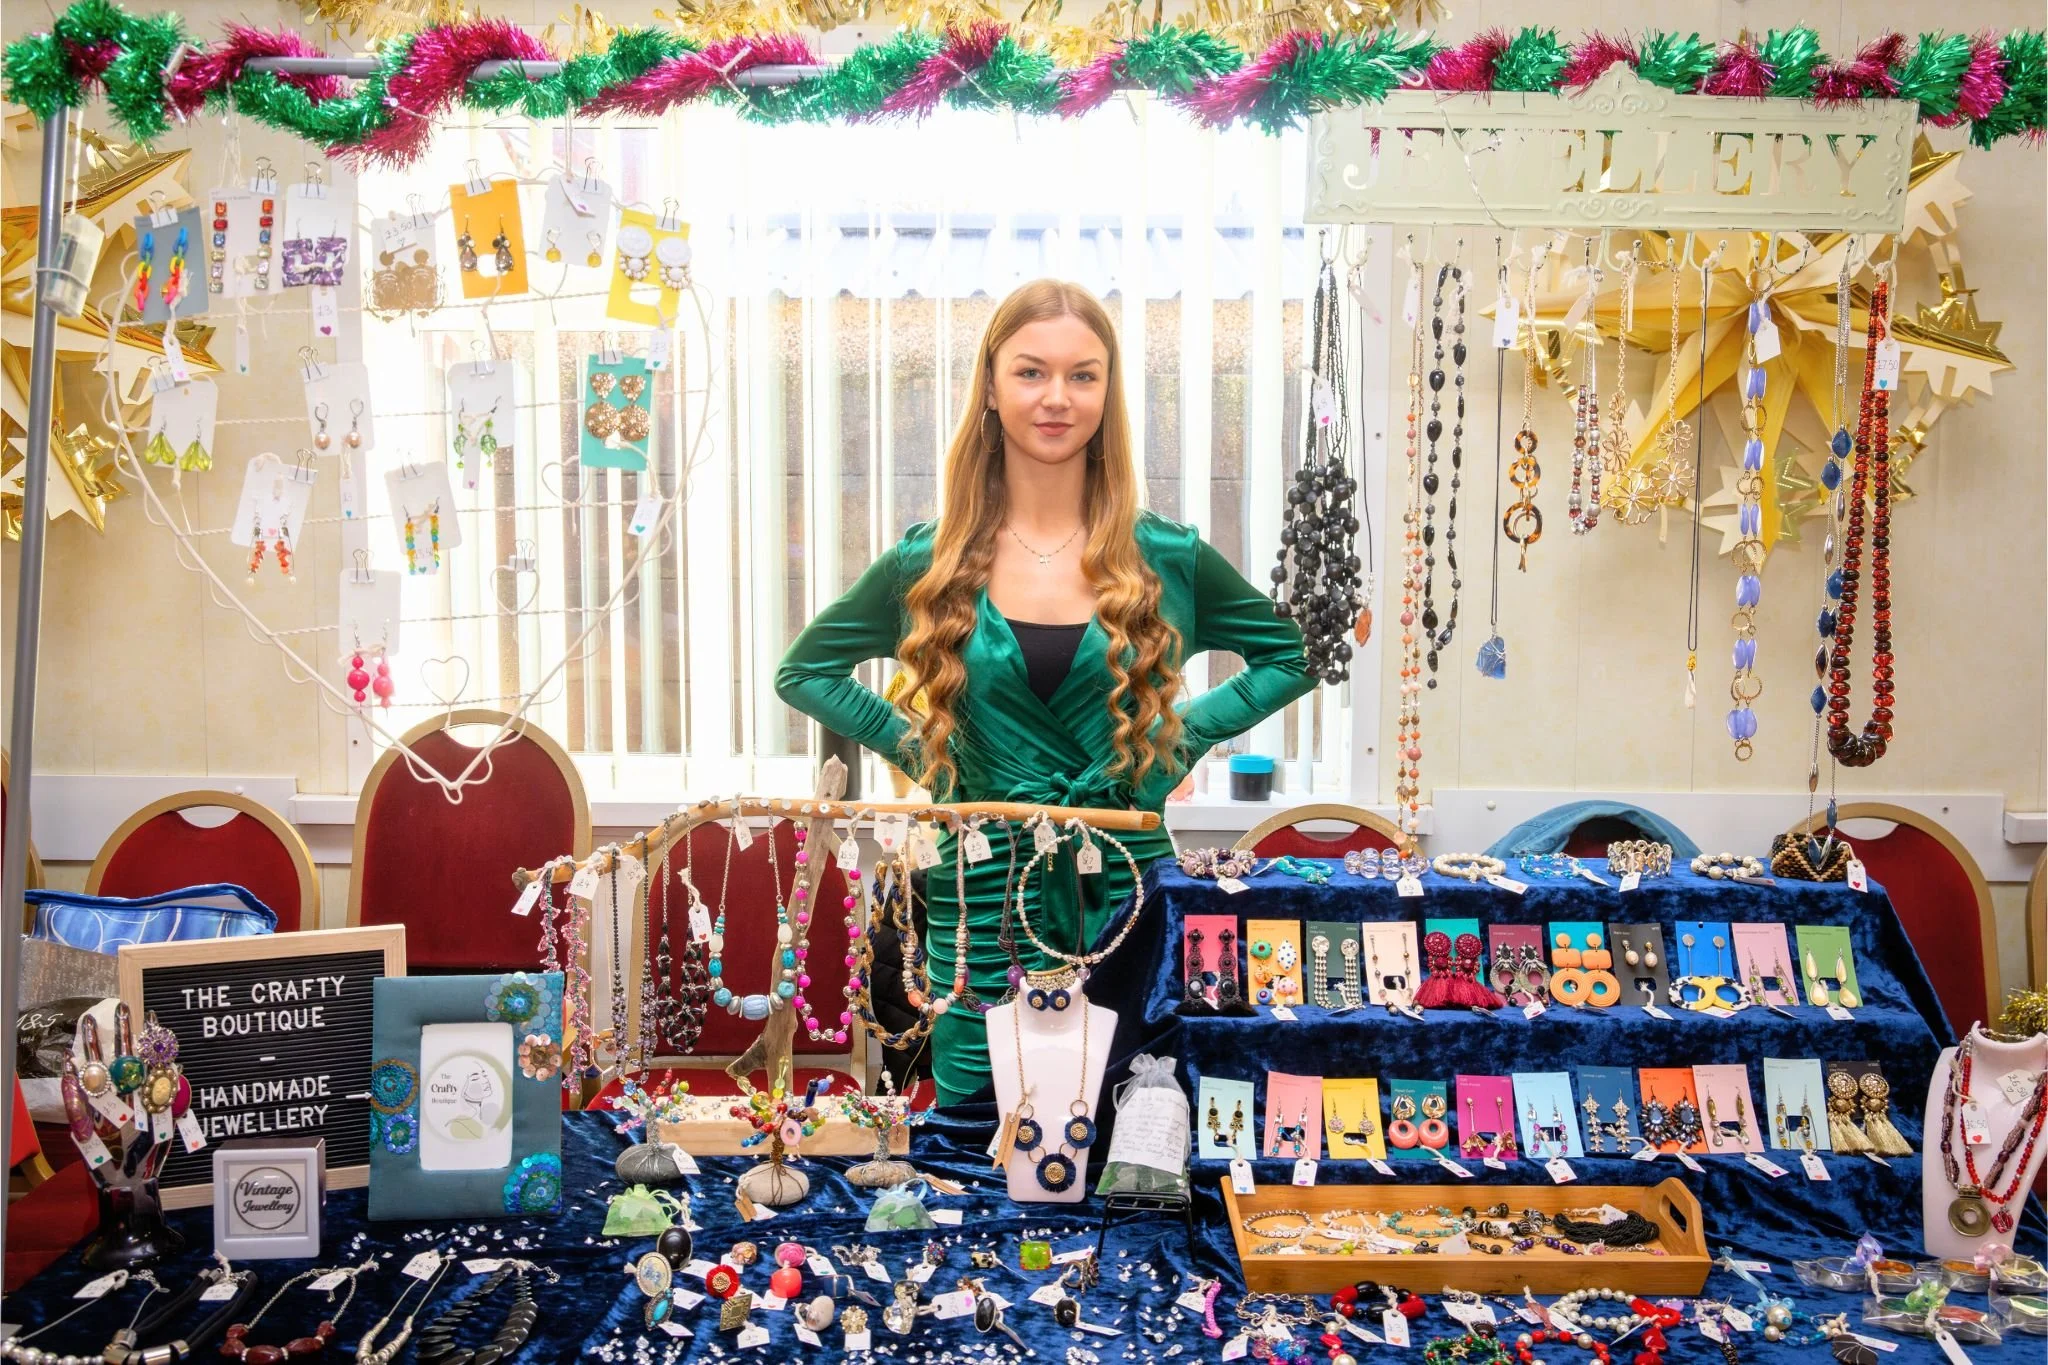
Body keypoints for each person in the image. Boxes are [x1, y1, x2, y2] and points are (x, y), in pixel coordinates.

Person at [775, 278, 1314, 1104]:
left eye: (1083, 374)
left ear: (1108, 391)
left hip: (1127, 889)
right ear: (990, 387)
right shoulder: (928, 563)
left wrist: (1179, 740)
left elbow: (1292, 654)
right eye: (1031, 372)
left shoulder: (1166, 555)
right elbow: (803, 671)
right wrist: (934, 757)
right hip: (981, 894)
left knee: (1134, 1130)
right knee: (978, 1132)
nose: (1057, 397)